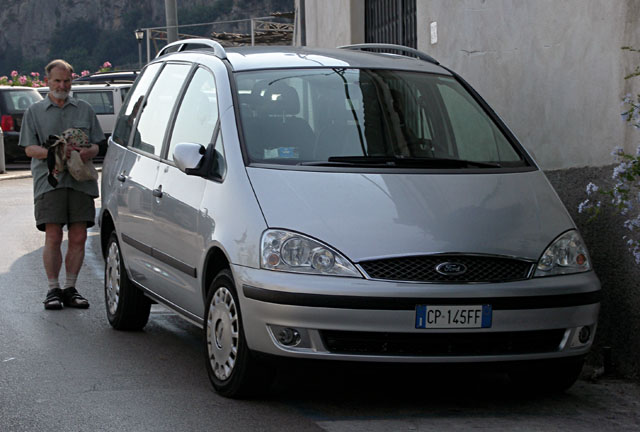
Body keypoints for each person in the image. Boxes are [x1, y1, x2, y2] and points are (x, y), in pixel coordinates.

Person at [19, 59, 103, 310]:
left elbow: (98, 145)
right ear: (47, 82)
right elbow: (29, 149)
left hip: (80, 182)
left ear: (72, 80)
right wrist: (57, 153)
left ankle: (71, 288)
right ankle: (52, 289)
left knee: (78, 236)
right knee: (53, 235)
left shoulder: (85, 109)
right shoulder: (34, 112)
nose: (62, 85)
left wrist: (87, 152)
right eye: (57, 80)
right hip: (50, 181)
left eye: (66, 81)